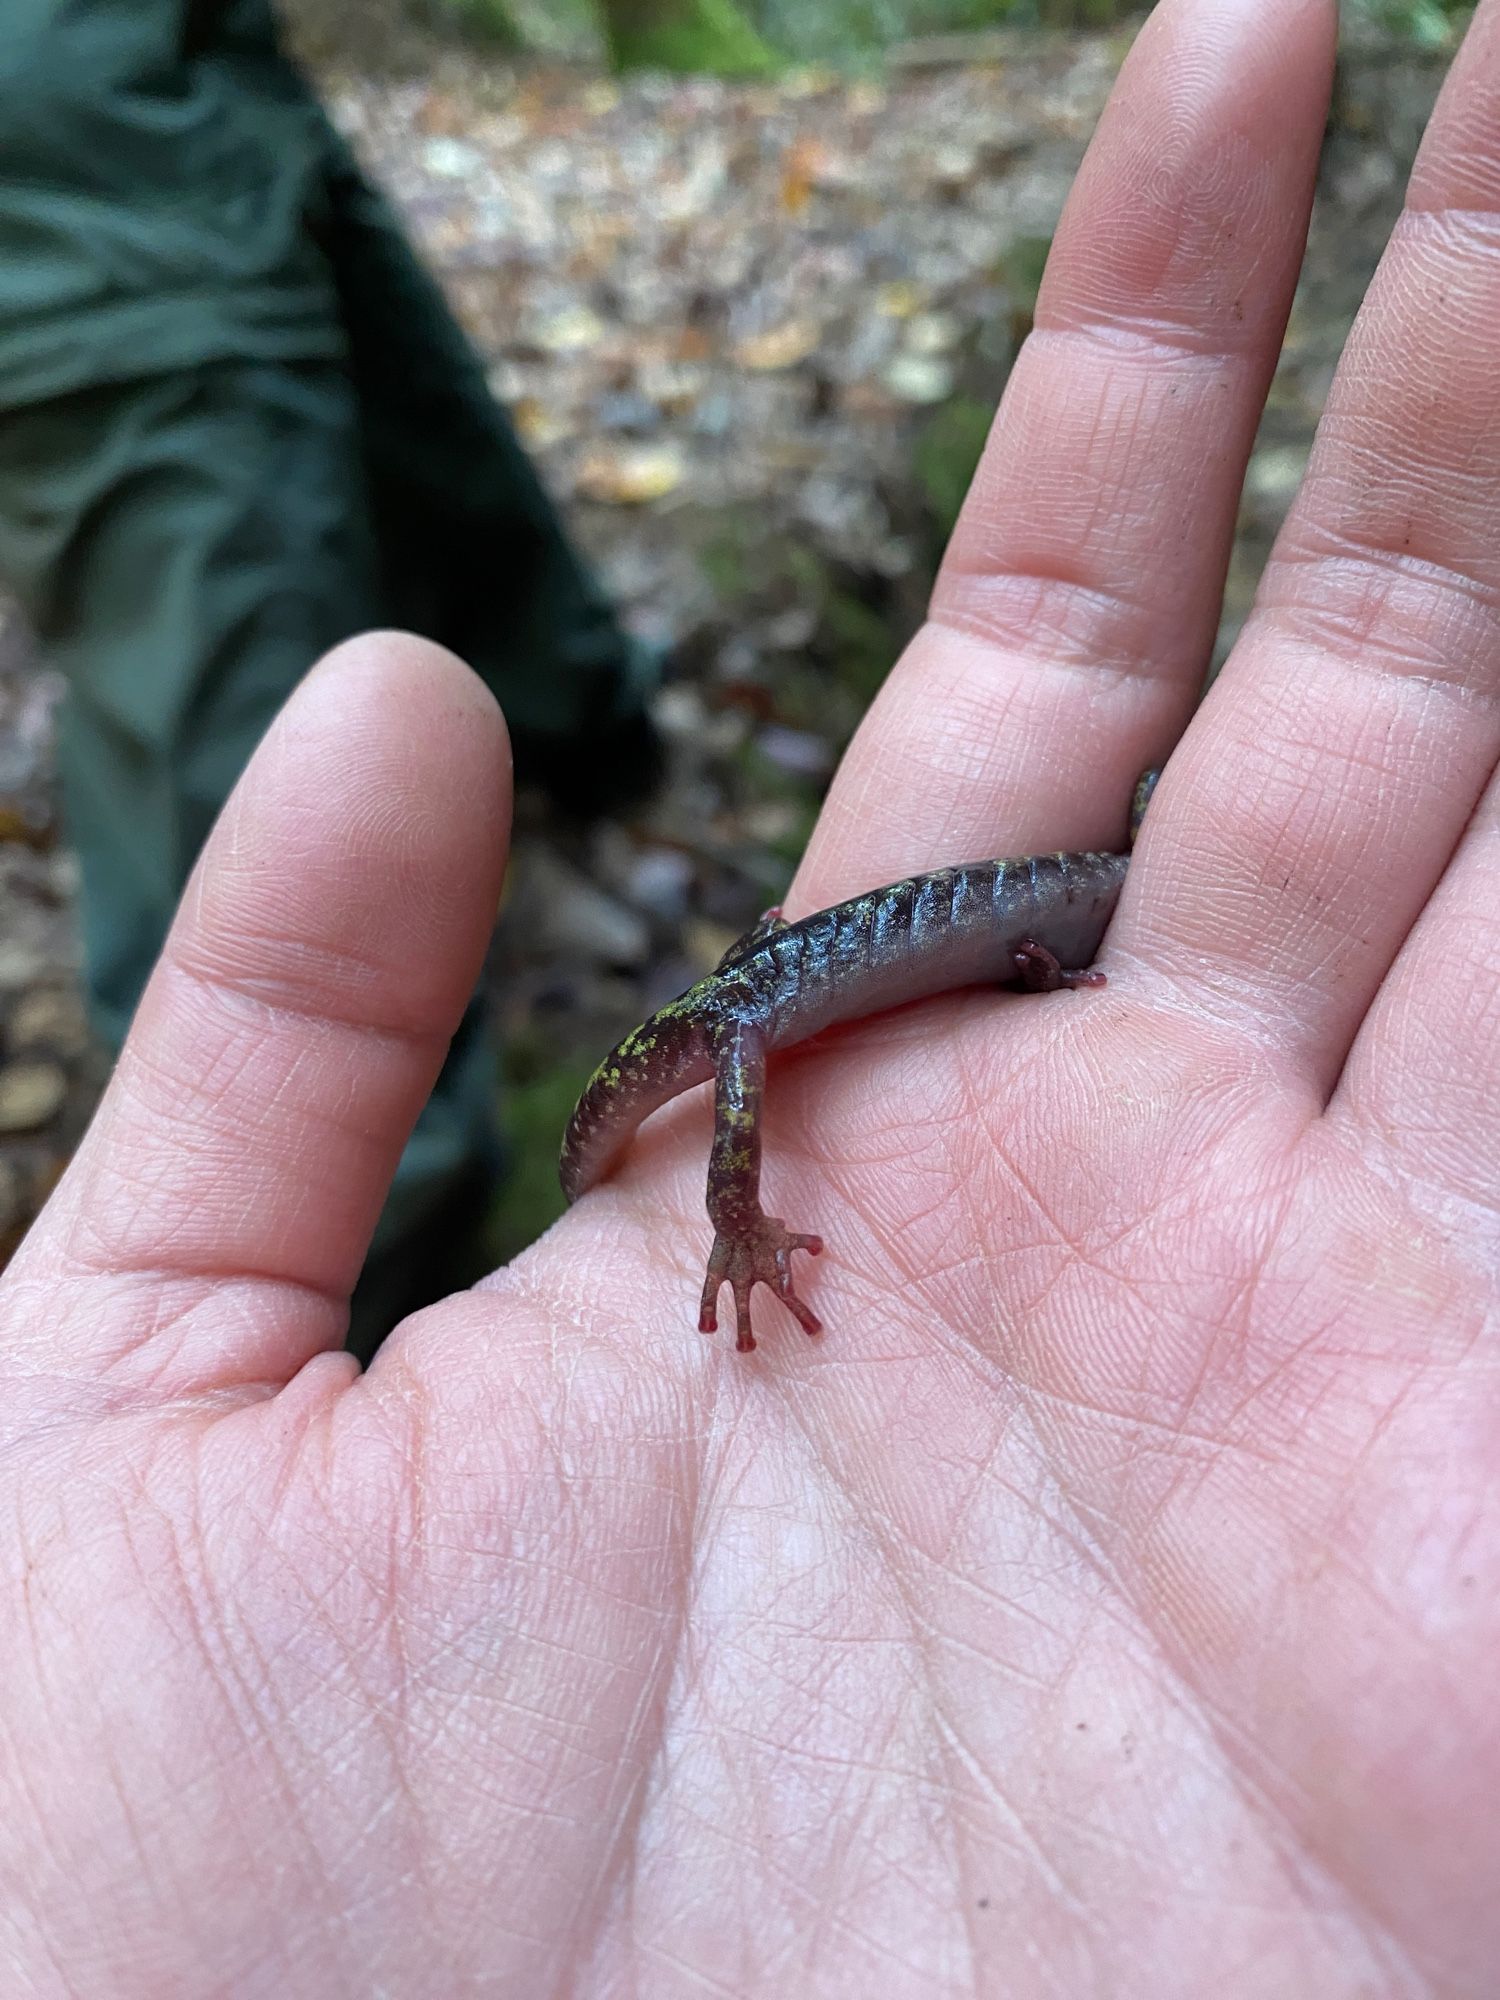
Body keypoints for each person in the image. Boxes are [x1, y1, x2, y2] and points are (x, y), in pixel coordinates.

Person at [3, 0, 1497, 1984]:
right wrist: (729, 1194)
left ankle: (595, 777)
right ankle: (561, 1068)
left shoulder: (1062, 914)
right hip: (808, 988)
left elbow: (1058, 934)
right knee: (751, 1031)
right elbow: (742, 1059)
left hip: (1011, 916)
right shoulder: (733, 1048)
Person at [0, 0, 659, 1343]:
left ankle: (594, 762)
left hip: (217, 92)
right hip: (73, 182)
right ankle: (324, 1338)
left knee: (441, 464)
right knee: (255, 787)